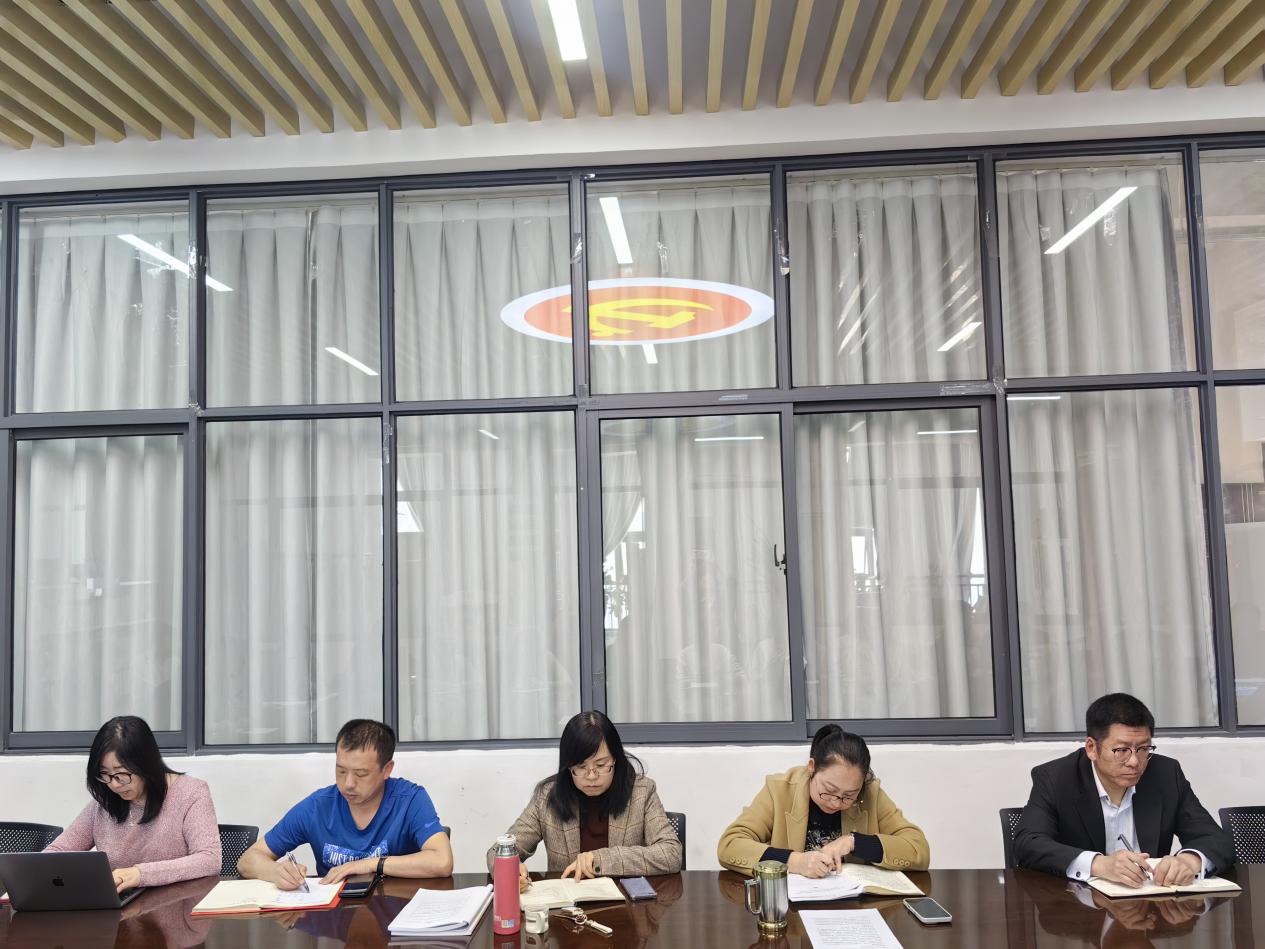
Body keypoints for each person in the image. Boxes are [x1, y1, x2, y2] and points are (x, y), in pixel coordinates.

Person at [1014, 692, 1233, 887]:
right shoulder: (1056, 778)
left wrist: (1189, 861)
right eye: (1121, 750)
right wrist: (1100, 864)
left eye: (1144, 748)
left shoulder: (1165, 774)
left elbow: (1215, 839)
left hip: (1152, 906)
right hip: (1081, 908)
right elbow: (1028, 844)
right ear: (1091, 748)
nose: (1134, 761)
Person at [237, 719, 452, 888]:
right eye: (341, 771)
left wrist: (369, 864)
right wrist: (276, 872)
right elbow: (247, 860)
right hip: (334, 919)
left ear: (387, 769)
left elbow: (442, 861)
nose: (348, 784)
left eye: (361, 774)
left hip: (395, 914)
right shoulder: (318, 807)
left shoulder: (409, 800)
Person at [487, 710, 682, 886]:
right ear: (568, 766)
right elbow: (497, 851)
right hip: (568, 908)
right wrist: (508, 868)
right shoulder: (547, 797)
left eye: (601, 765)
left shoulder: (641, 792)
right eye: (580, 767)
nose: (591, 776)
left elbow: (671, 853)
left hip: (627, 905)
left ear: (615, 759)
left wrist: (602, 860)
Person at [717, 724, 930, 877]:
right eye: (829, 791)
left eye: (849, 796)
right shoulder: (779, 790)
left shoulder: (870, 793)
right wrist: (795, 862)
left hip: (852, 908)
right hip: (793, 911)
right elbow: (730, 845)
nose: (836, 803)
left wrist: (853, 842)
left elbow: (918, 849)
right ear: (811, 767)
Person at [45, 715, 220, 891]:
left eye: (122, 774)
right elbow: (58, 851)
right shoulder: (104, 802)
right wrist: (38, 872)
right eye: (105, 774)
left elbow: (209, 859)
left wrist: (140, 874)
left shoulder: (191, 793)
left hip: (174, 902)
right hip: (118, 904)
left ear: (146, 765)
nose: (114, 784)